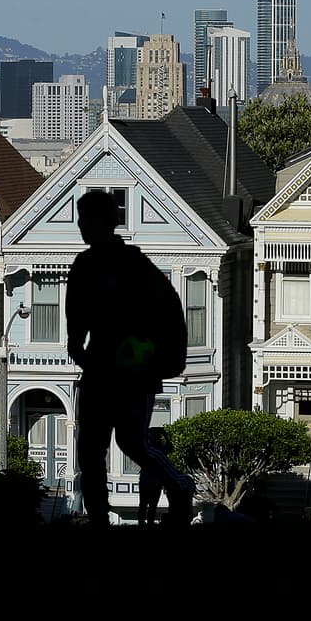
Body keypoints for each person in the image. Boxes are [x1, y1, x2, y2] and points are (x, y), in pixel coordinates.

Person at [66, 190, 195, 529]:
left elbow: (169, 311)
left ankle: (179, 484)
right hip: (100, 370)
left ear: (107, 223)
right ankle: (98, 519)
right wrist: (79, 349)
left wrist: (163, 360)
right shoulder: (85, 266)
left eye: (89, 219)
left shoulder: (134, 266)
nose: (83, 227)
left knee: (131, 442)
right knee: (90, 450)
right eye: (81, 219)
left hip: (133, 372)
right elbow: (76, 319)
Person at [137, 426, 173, 527]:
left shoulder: (149, 449)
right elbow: (170, 447)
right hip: (153, 482)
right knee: (151, 506)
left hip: (148, 481)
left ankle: (143, 523)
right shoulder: (159, 451)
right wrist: (166, 436)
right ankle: (148, 523)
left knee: (144, 505)